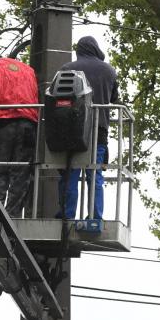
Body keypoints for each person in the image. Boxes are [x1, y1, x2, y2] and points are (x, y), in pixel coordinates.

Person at [57, 36, 118, 221]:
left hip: (73, 129)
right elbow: (114, 98)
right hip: (99, 129)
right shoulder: (109, 71)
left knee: (71, 172)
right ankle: (95, 217)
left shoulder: (67, 68)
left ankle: (67, 215)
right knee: (95, 172)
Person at [0, 50, 40, 216]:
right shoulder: (28, 70)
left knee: (1, 170)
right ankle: (12, 214)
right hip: (28, 124)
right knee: (21, 172)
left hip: (3, 124)